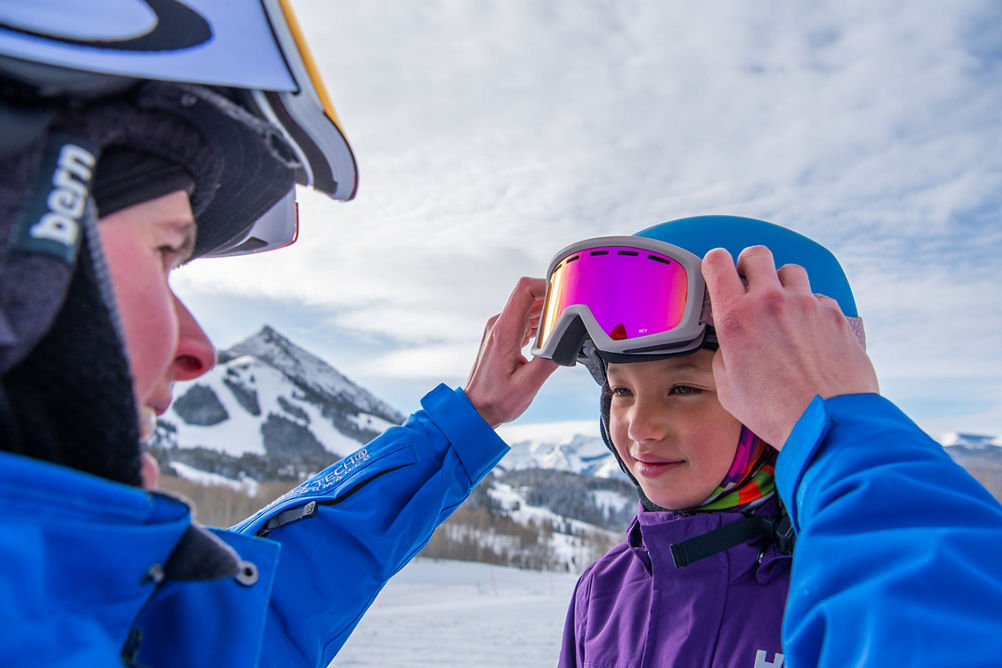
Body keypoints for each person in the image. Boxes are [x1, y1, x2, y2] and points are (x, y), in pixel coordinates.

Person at [0, 5, 555, 667]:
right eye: (165, 252)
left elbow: (264, 605)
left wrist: (470, 418)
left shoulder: (104, 621)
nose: (198, 348)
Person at [533, 214, 1002, 667]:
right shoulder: (603, 591)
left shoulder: (839, 587)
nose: (639, 427)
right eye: (621, 391)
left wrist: (832, 418)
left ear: (779, 396)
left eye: (684, 389)